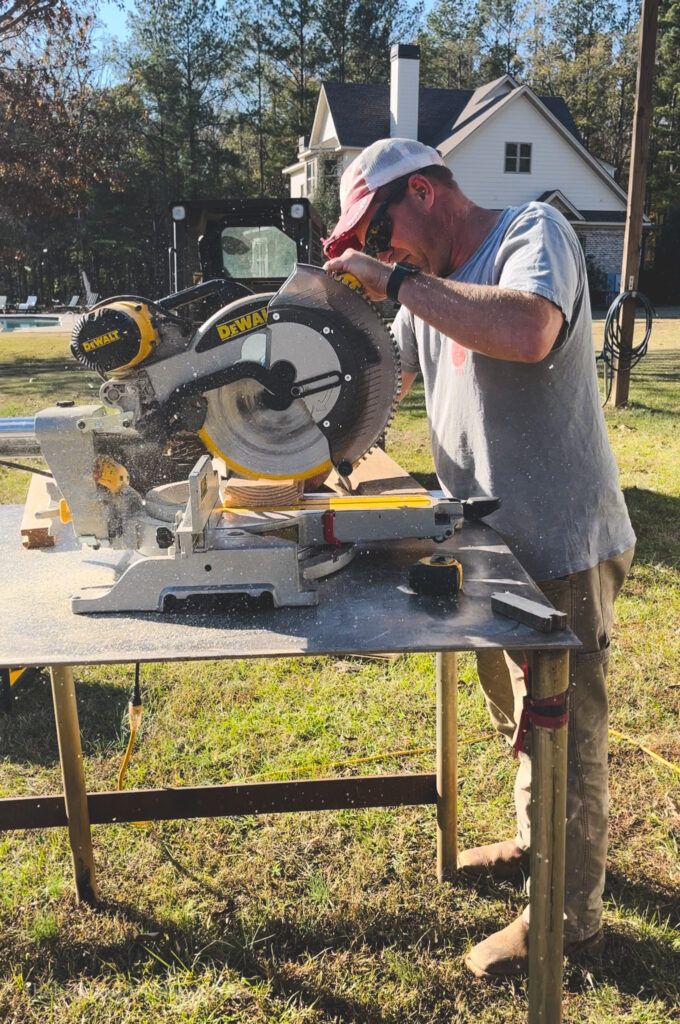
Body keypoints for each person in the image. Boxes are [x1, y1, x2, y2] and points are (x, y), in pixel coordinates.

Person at [322, 137, 636, 980]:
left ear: (423, 192)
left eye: (381, 231)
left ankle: (569, 922)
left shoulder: (534, 233)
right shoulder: (418, 293)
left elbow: (528, 330)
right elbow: (368, 372)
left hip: (564, 544)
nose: (382, 251)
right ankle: (541, 846)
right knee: (522, 725)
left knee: (567, 737)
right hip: (489, 548)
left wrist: (394, 280)